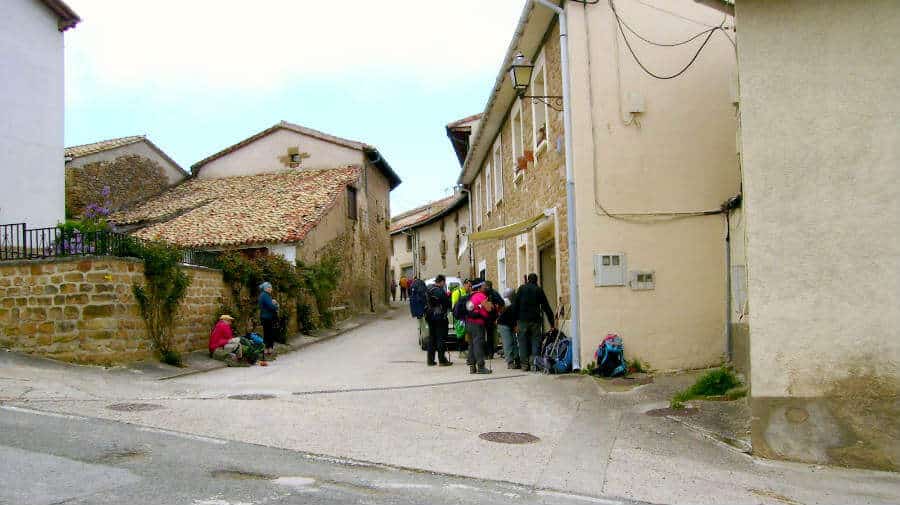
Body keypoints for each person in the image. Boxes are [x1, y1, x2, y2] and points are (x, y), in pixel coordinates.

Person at [514, 273, 555, 372]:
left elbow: (515, 305)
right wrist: (552, 323)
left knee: (522, 342)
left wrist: (514, 322)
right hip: (535, 320)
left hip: (522, 320)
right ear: (536, 280)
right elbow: (546, 307)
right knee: (535, 341)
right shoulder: (538, 290)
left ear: (528, 280)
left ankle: (524, 364)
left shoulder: (521, 289)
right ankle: (534, 364)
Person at [465, 280, 494, 374]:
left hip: (468, 323)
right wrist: (490, 305)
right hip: (477, 324)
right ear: (479, 287)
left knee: (471, 345)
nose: (485, 287)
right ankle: (481, 366)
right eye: (483, 286)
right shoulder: (481, 295)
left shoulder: (471, 296)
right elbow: (489, 309)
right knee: (478, 345)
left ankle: (472, 367)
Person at [425, 275, 453, 367]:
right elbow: (448, 303)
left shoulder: (429, 289)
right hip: (440, 317)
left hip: (429, 316)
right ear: (441, 282)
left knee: (432, 338)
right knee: (441, 338)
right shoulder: (440, 291)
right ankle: (442, 360)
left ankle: (430, 360)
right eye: (443, 282)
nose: (444, 284)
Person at [497, 288, 519, 369]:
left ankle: (516, 360)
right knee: (508, 342)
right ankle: (510, 362)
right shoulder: (513, 304)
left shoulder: (515, 303)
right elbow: (512, 317)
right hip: (504, 324)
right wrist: (515, 326)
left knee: (514, 341)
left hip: (509, 323)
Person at [258, 281, 279, 358]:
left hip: (265, 316)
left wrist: (273, 302)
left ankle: (267, 350)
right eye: (269, 287)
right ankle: (268, 350)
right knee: (269, 333)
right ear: (265, 288)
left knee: (267, 333)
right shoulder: (265, 295)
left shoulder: (263, 295)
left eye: (271, 287)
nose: (271, 289)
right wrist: (276, 305)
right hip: (268, 317)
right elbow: (271, 306)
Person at [484, 280, 505, 358]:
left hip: (488, 317)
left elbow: (501, 303)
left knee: (488, 335)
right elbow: (501, 302)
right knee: (490, 335)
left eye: (485, 286)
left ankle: (488, 353)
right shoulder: (494, 293)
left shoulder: (490, 293)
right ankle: (489, 353)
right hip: (490, 316)